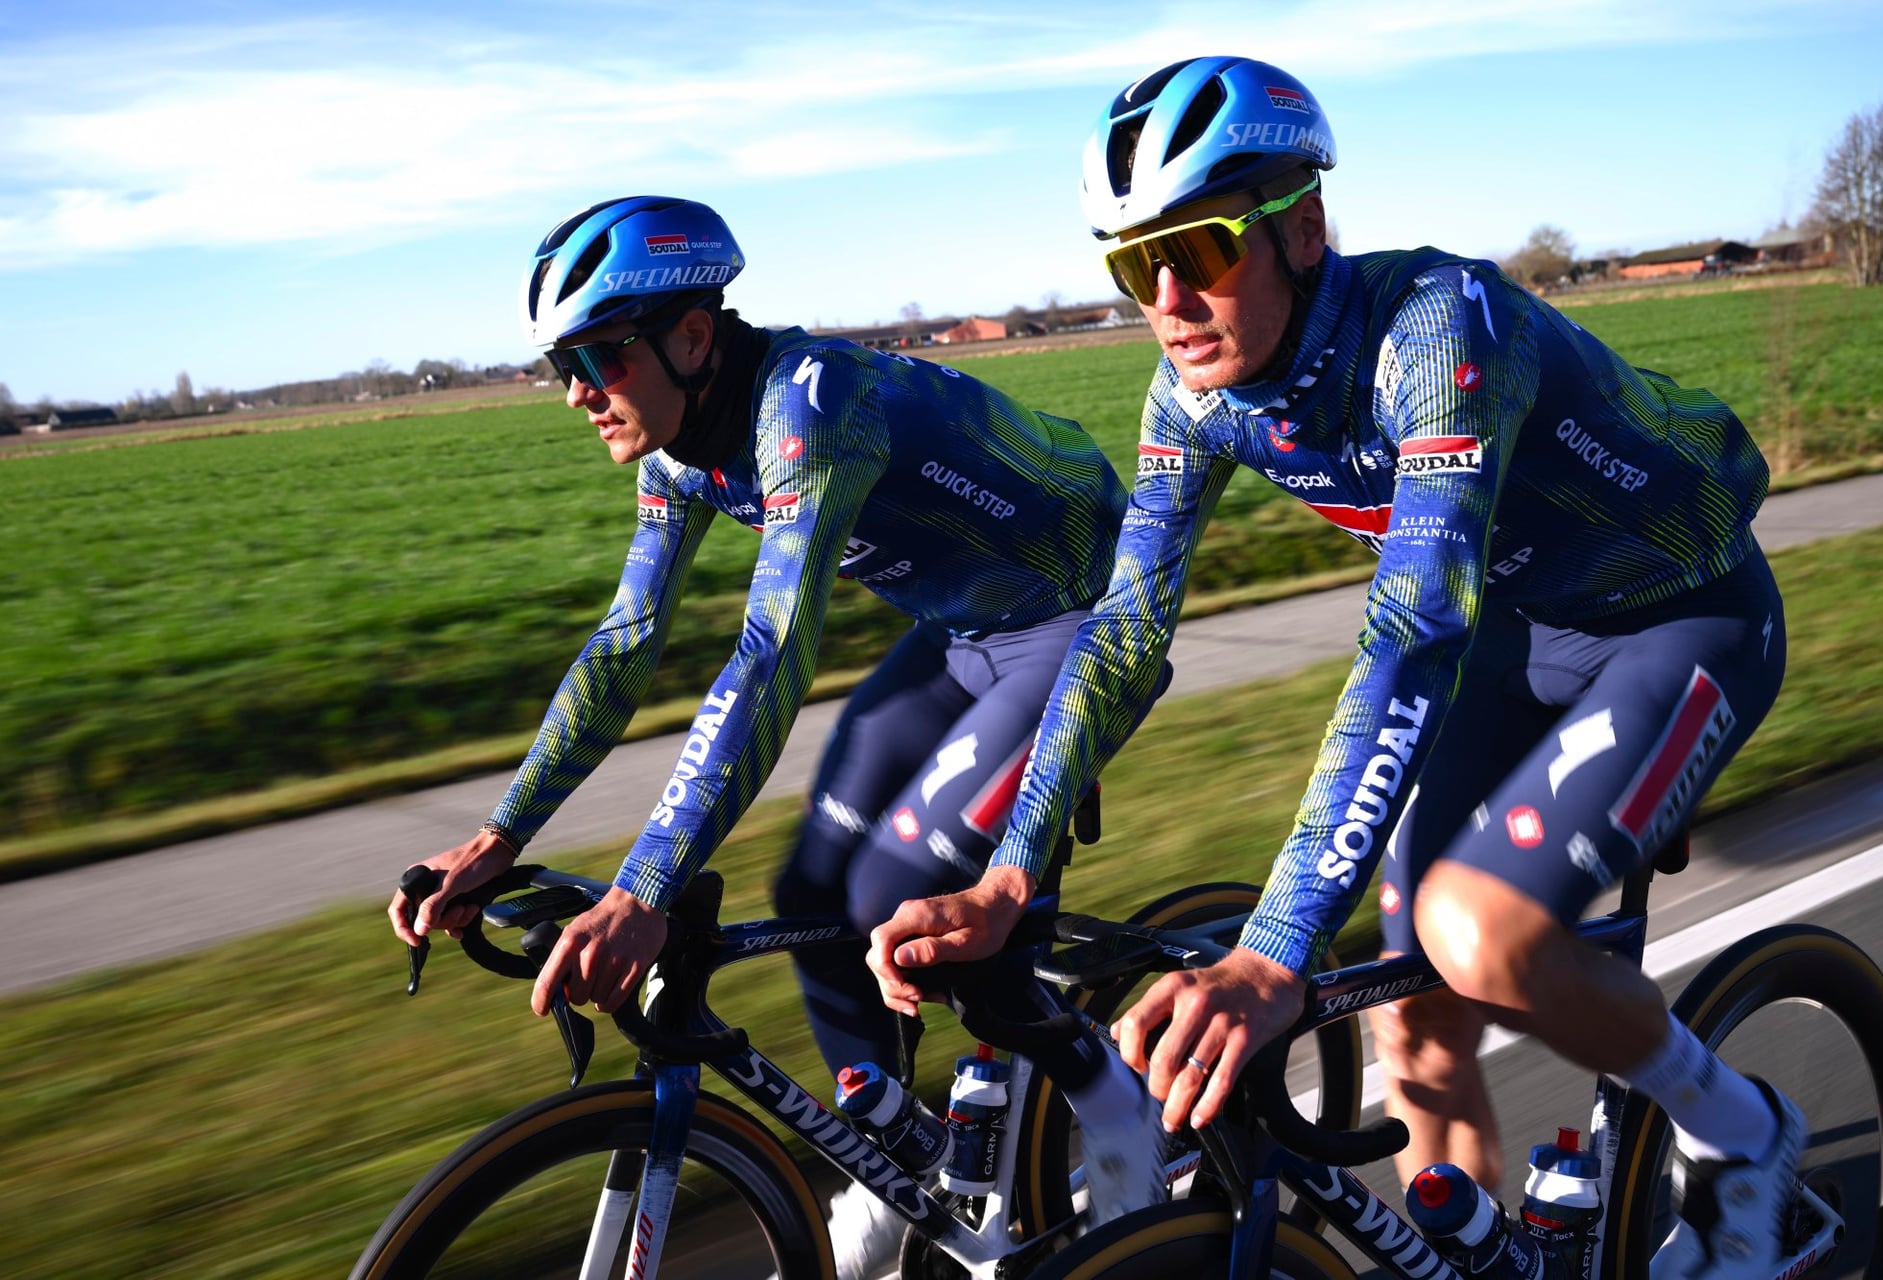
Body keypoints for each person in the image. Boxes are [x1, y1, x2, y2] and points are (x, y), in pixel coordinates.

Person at [868, 57, 1798, 1277]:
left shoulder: (1436, 331)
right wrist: (1005, 876)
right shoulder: (1193, 397)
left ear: (1302, 228)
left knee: (1475, 928)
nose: (1164, 295)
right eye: (1130, 263)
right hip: (1528, 627)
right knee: (1414, 989)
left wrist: (1271, 952)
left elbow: (1412, 634)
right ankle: (1484, 1249)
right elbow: (1127, 635)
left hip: (1684, 617)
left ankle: (1746, 1136)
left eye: (1195, 249)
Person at [385, 195, 1164, 1278]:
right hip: (963, 631)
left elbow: (769, 651)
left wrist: (645, 884)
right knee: (810, 887)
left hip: (1082, 622)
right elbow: (626, 645)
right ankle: (894, 1156)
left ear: (693, 335)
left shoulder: (812, 404)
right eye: (560, 361)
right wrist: (499, 832)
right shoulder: (678, 455)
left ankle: (1113, 1100)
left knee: (904, 889)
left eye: (600, 355)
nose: (576, 390)